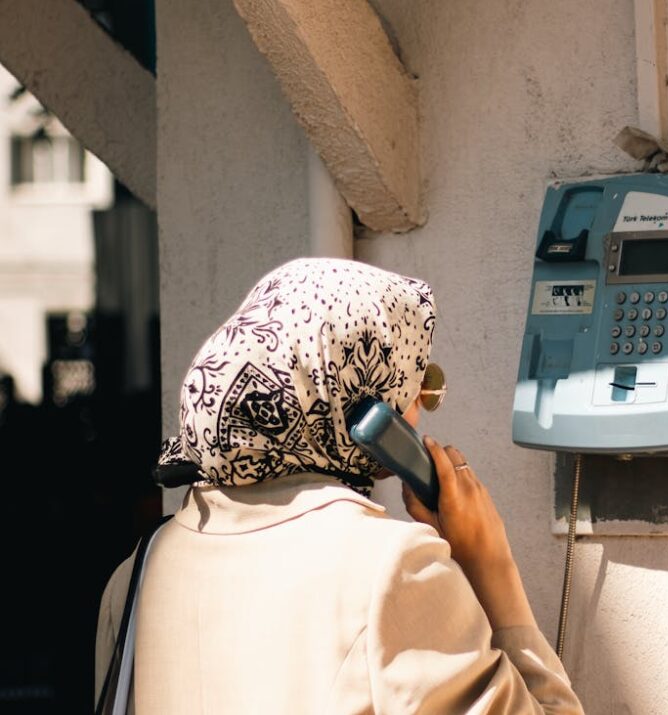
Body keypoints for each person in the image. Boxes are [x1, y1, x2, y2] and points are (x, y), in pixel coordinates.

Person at [95, 258, 584, 714]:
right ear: (366, 407)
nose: (420, 410)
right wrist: (490, 564)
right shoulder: (393, 567)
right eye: (419, 384)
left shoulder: (139, 570)